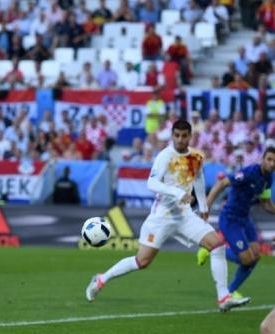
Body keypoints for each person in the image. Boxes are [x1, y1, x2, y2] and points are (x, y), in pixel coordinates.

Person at [85, 120, 251, 312]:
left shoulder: (196, 156)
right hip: (162, 216)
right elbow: (152, 183)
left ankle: (223, 297)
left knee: (217, 245)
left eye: (184, 136)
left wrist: (204, 206)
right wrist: (178, 193)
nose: (180, 139)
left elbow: (198, 178)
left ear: (190, 136)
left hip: (185, 215)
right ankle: (101, 279)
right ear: (172, 135)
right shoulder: (165, 156)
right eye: (177, 135)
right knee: (142, 261)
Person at [196, 147, 275, 297]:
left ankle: (230, 292)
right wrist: (206, 206)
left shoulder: (268, 179)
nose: (272, 164)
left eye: (274, 161)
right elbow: (222, 183)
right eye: (269, 159)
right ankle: (211, 249)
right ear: (263, 159)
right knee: (246, 259)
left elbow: (265, 203)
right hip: (230, 218)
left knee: (255, 256)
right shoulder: (249, 173)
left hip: (245, 218)